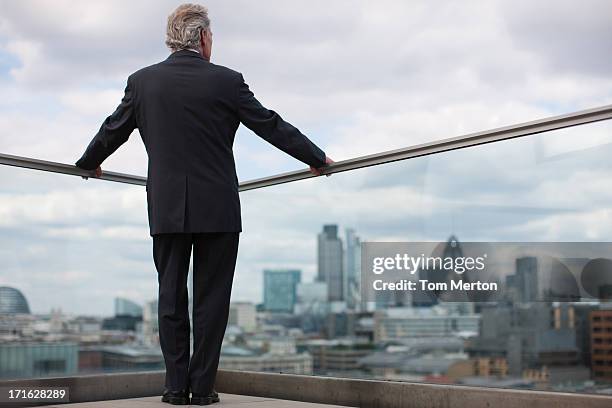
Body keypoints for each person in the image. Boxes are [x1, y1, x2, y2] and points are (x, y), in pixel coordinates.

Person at [75, 3, 332, 405]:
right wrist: (316, 158)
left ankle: (175, 388)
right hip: (218, 208)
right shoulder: (227, 82)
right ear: (204, 38)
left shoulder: (142, 82)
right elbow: (270, 124)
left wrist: (89, 164)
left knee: (170, 298)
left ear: (172, 39)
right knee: (212, 302)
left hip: (166, 208)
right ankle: (203, 388)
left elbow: (113, 130)